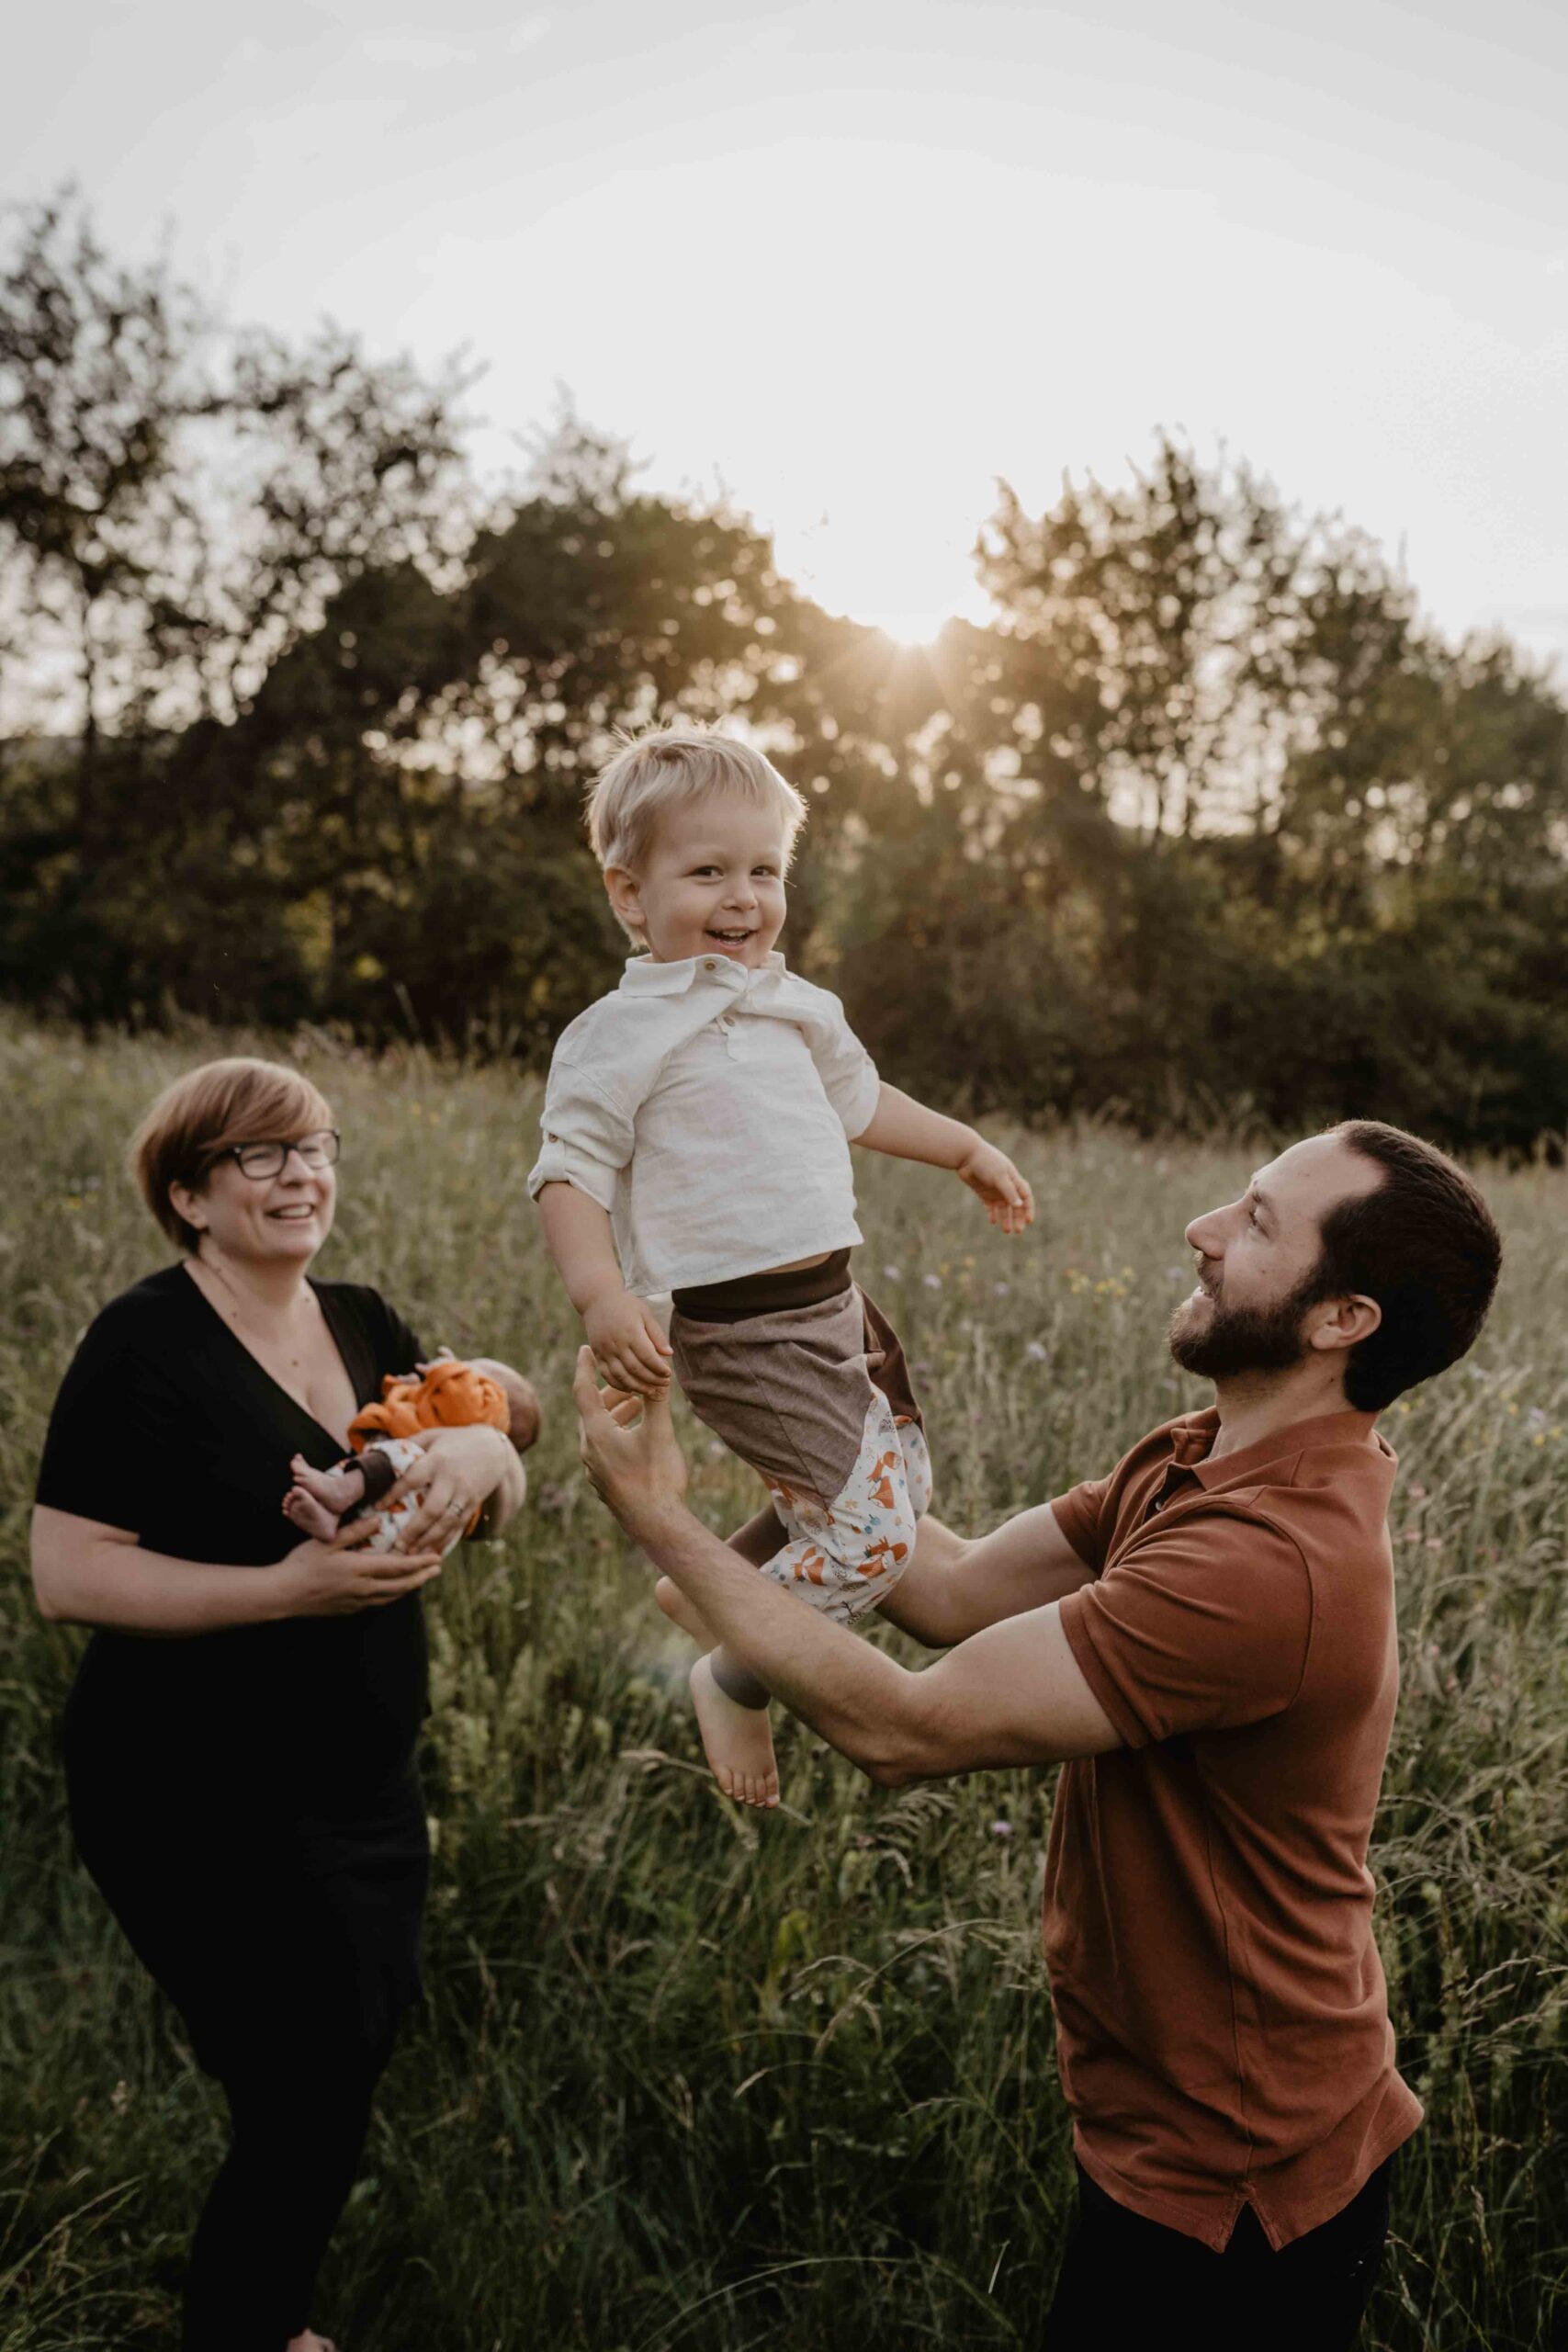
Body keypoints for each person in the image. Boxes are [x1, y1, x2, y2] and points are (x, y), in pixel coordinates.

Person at [574, 1120, 1502, 2350]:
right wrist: (799, 1390)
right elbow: (946, 1582)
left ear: (1341, 1321)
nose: (1204, 1229)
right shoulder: (1198, 1458)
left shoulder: (1266, 1566)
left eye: (1259, 1223)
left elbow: (903, 1727)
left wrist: (655, 1513)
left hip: (1238, 2172)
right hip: (1166, 2126)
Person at [30, 1057, 538, 2352]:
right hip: (183, 1787)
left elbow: (488, 1428)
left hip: (362, 1772)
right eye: (259, 1155)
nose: (298, 1173)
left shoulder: (364, 1320)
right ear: (191, 1194)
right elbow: (66, 1572)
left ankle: (255, 2316)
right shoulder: (141, 1343)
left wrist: (483, 1452)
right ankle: (248, 2330)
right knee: (302, 2088)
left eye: (312, 1147)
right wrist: (286, 1589)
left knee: (346, 2050)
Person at [528, 724, 1033, 1808]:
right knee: (870, 1538)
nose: (743, 896)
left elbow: (864, 1105)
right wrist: (603, 1292)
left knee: (904, 1485)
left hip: (837, 1302)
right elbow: (568, 1171)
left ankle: (717, 1591)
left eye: (764, 871)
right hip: (741, 1325)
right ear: (630, 892)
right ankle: (735, 1665)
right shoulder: (619, 1034)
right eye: (706, 871)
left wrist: (966, 1149)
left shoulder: (797, 1005)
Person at [282, 1352, 540, 1548]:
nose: (459, 1367)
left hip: (419, 1485)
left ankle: (340, 1492)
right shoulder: (437, 1405)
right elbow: (401, 1404)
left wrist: (447, 1370)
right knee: (377, 1469)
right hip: (405, 1516)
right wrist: (409, 1386)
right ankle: (332, 1520)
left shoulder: (489, 1407)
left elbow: (463, 1404)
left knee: (394, 1455)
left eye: (471, 1371)